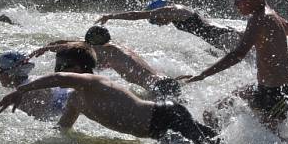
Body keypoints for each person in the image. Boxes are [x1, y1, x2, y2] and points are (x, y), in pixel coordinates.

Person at [0, 44, 218, 144]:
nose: (59, 70)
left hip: (167, 116)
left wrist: (20, 90)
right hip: (157, 130)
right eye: (58, 66)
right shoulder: (75, 101)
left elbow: (59, 79)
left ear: (81, 68)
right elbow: (61, 131)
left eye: (63, 67)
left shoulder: (95, 82)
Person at [180, 0, 288, 129]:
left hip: (277, 95)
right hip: (266, 89)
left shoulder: (259, 19)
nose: (234, 4)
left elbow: (239, 54)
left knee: (272, 141)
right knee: (211, 114)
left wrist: (203, 74)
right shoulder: (273, 17)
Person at [30, 25, 182, 100]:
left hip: (160, 88)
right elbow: (76, 43)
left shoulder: (108, 50)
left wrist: (48, 48)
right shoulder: (116, 48)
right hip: (162, 84)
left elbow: (75, 46)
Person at [96, 0, 241, 53]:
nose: (158, 25)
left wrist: (110, 16)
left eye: (154, 20)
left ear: (159, 11)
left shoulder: (172, 10)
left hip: (225, 37)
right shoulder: (175, 14)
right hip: (222, 38)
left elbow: (136, 15)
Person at [0, 51, 72, 120]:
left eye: (0, 71)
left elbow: (42, 122)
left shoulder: (31, 94)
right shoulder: (29, 84)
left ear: (10, 74)